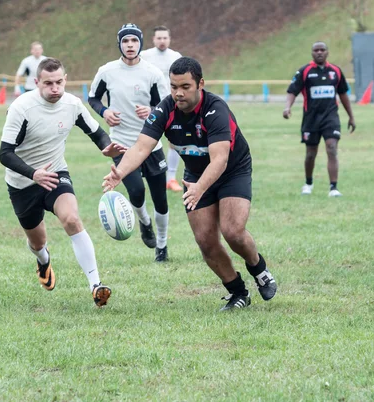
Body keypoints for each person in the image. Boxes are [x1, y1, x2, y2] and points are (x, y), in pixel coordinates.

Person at [102, 57, 277, 311]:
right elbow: (141, 147)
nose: (178, 93)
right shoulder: (164, 110)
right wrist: (119, 172)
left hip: (232, 171)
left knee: (233, 231)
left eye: (185, 86)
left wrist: (200, 188)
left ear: (200, 84)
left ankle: (259, 270)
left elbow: (220, 159)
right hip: (195, 175)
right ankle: (237, 292)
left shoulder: (215, 110)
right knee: (205, 241)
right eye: (173, 87)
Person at [0, 57, 125, 306]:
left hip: (56, 173)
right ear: (37, 82)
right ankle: (43, 260)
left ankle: (96, 285)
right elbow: (5, 153)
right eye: (48, 83)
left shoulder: (72, 104)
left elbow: (96, 132)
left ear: (65, 80)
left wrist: (105, 147)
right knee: (37, 242)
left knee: (72, 219)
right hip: (22, 183)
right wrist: (33, 173)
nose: (55, 88)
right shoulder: (21, 108)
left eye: (59, 82)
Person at [89, 23, 171, 262]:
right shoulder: (107, 71)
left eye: (134, 41)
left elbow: (167, 106)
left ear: (140, 43)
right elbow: (93, 98)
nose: (130, 45)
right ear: (120, 44)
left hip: (151, 144)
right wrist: (104, 112)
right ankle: (145, 223)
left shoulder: (153, 73)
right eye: (126, 41)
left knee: (161, 200)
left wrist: (152, 111)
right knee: (136, 191)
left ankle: (162, 246)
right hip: (122, 143)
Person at [283, 42, 356, 197]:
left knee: (331, 148)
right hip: (311, 119)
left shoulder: (335, 71)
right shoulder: (305, 71)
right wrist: (287, 107)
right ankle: (308, 183)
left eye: (322, 50)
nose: (319, 53)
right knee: (311, 153)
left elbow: (343, 94)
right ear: (312, 53)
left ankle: (333, 187)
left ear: (327, 52)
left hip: (331, 118)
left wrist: (351, 116)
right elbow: (292, 91)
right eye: (316, 50)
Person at [141, 26, 183, 192]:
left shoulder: (176, 57)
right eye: (159, 38)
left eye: (165, 38)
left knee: (175, 140)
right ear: (153, 39)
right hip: (149, 107)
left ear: (169, 38)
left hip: (172, 104)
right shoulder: (144, 57)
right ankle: (142, 174)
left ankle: (171, 178)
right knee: (146, 140)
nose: (162, 41)